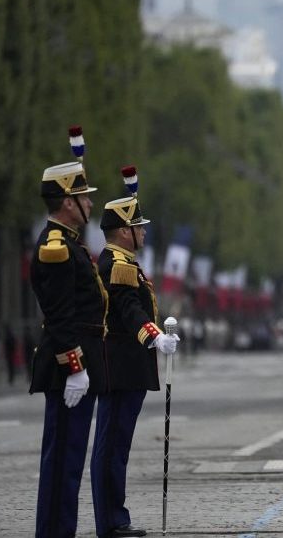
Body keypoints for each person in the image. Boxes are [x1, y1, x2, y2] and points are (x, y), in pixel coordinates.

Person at [92, 173, 177, 538]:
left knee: (116, 445)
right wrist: (154, 337)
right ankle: (112, 520)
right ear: (124, 231)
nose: (143, 232)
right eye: (138, 227)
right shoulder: (121, 265)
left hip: (124, 366)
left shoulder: (121, 261)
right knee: (112, 446)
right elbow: (129, 311)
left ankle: (113, 517)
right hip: (122, 366)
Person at [29, 160, 107, 538]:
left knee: (70, 461)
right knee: (62, 463)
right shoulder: (56, 248)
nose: (90, 205)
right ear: (66, 203)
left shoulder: (71, 244)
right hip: (67, 370)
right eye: (83, 198)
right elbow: (60, 317)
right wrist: (74, 366)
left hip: (76, 367)